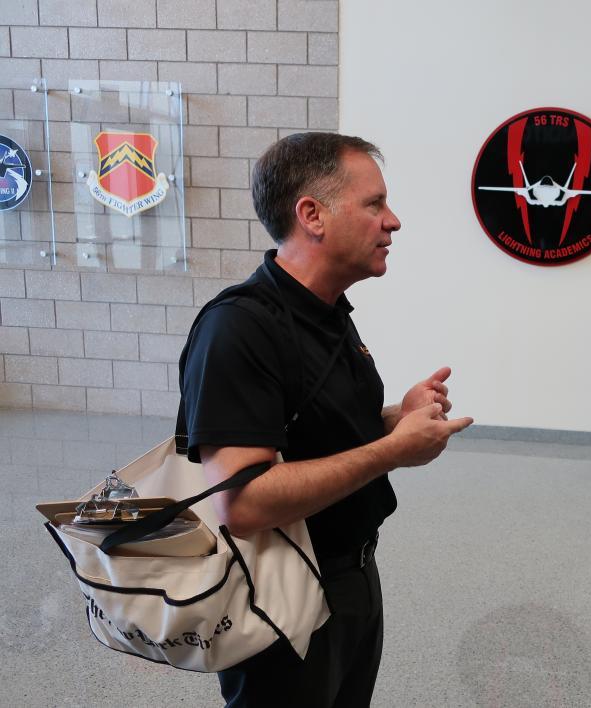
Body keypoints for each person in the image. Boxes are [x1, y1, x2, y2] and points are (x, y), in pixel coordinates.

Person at [179, 132, 474, 707]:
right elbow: (242, 501)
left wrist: (395, 420)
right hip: (281, 594)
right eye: (374, 204)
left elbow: (318, 433)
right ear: (312, 214)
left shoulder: (330, 313)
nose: (393, 222)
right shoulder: (239, 329)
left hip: (354, 576)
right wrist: (392, 451)